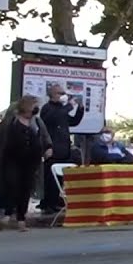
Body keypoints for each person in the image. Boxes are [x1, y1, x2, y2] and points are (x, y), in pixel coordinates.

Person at [0, 95, 53, 231]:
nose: (36, 108)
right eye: (33, 105)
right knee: (13, 185)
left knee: (26, 188)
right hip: (12, 159)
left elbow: (44, 136)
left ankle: (21, 218)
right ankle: (7, 212)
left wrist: (47, 148)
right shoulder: (11, 122)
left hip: (31, 160)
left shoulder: (37, 122)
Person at [38, 84, 84, 215]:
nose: (62, 95)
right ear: (52, 94)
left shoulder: (61, 109)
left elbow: (72, 121)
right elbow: (55, 117)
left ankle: (56, 200)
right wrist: (69, 105)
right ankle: (48, 203)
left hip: (64, 148)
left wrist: (80, 109)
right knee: (50, 178)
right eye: (60, 93)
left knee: (60, 178)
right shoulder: (48, 108)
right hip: (53, 149)